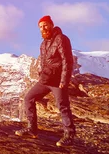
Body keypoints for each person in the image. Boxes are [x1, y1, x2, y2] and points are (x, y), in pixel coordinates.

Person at [16, 15, 76, 146]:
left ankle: (69, 135)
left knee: (63, 107)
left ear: (51, 24)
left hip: (57, 81)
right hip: (45, 80)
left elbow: (67, 61)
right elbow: (43, 62)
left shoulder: (61, 39)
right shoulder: (43, 44)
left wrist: (64, 80)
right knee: (28, 98)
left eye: (45, 25)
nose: (43, 28)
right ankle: (32, 129)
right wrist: (40, 74)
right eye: (40, 27)